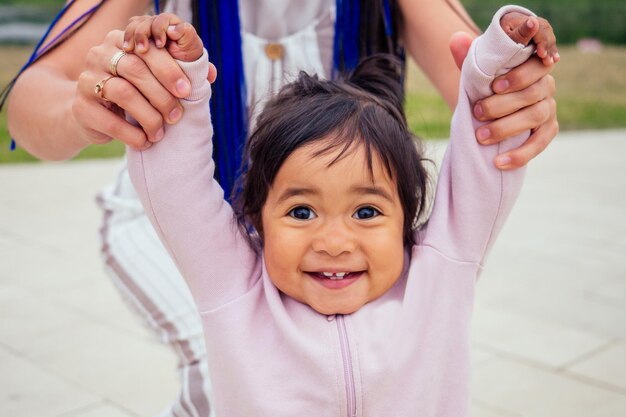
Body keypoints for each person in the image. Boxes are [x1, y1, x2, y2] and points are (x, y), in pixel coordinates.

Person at [5, 1, 558, 416]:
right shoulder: (235, 285)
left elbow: (483, 101)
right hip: (229, 225)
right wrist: (163, 84)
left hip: (315, 211)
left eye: (367, 214)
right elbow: (171, 189)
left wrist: (507, 76)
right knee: (211, 365)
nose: (335, 240)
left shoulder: (437, 277)